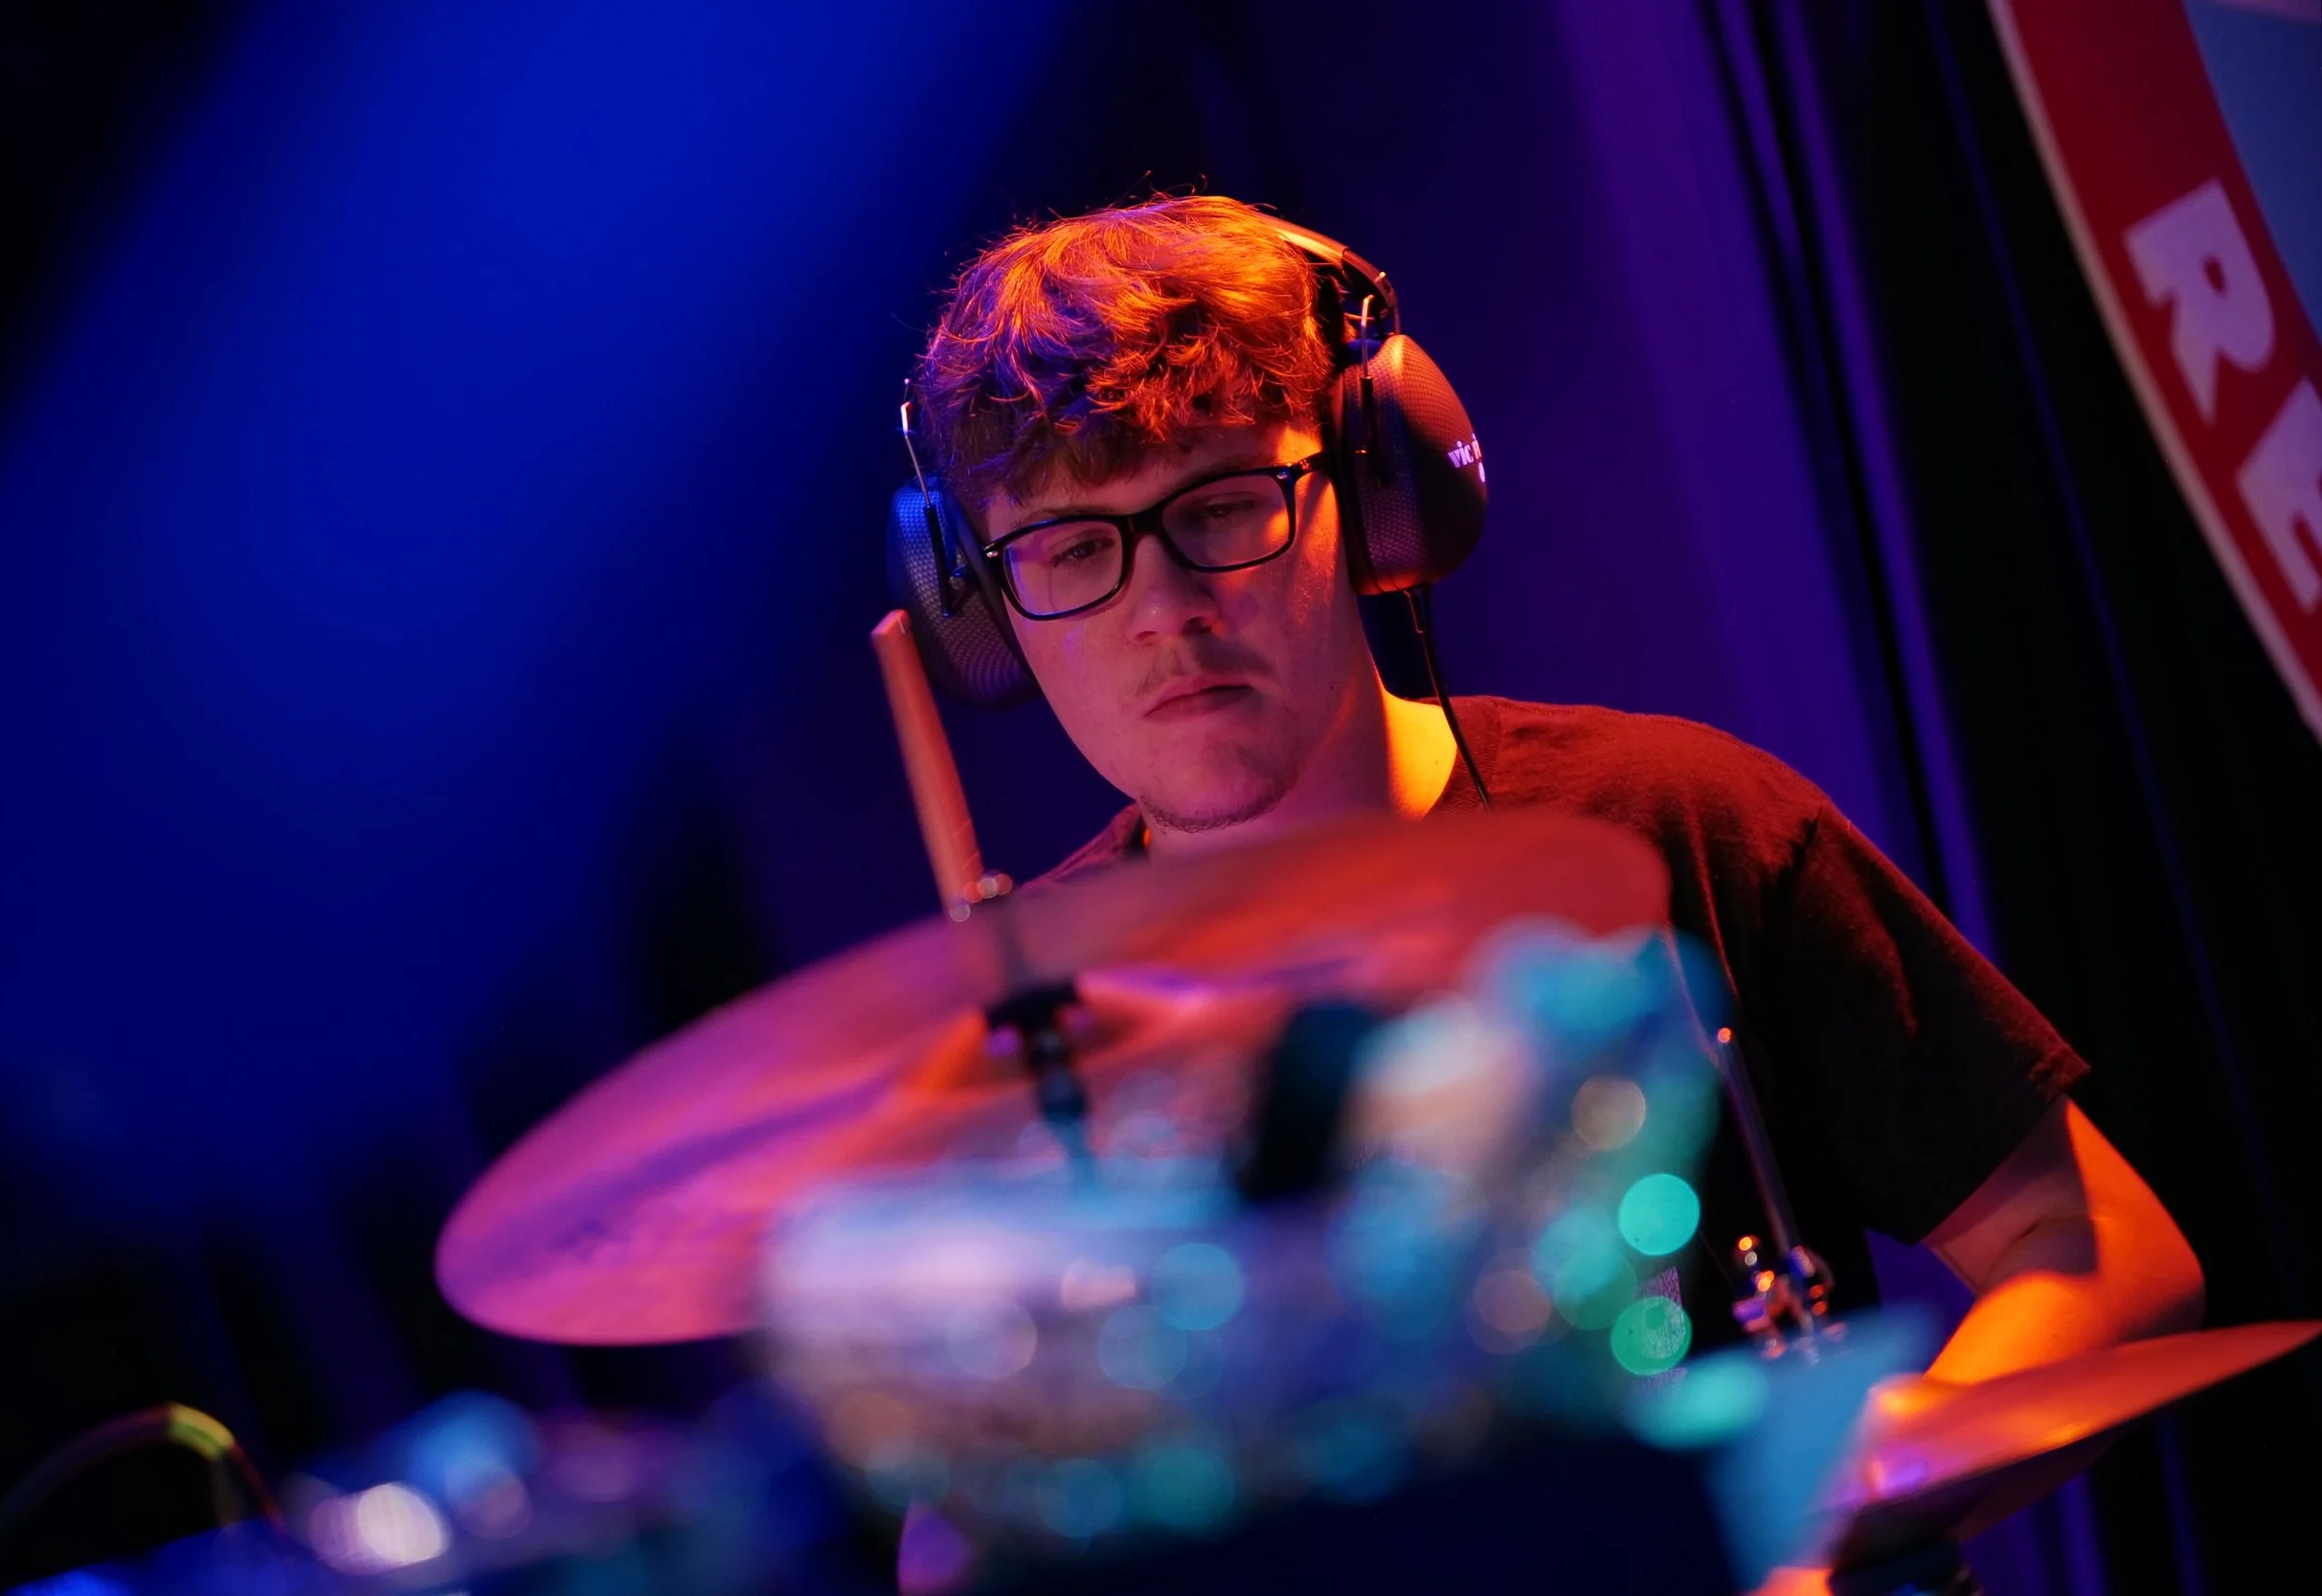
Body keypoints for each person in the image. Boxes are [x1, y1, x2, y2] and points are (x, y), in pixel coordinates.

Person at [908, 194, 2203, 1402]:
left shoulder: (1675, 824)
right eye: (1073, 549)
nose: (1164, 607)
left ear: (1372, 495)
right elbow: (956, 1539)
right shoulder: (1029, 1037)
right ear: (985, 612)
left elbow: (2097, 1247)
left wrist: (1838, 1515)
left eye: (1226, 506)